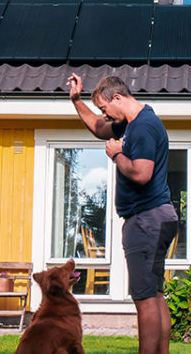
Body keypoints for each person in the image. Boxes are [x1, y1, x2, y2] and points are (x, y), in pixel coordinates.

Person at [67, 73, 178, 354]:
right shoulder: (132, 123)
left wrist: (116, 155)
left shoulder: (141, 127)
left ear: (117, 98)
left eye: (105, 108)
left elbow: (142, 174)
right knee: (155, 294)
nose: (105, 114)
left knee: (144, 299)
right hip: (158, 216)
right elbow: (99, 127)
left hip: (146, 219)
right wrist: (77, 101)